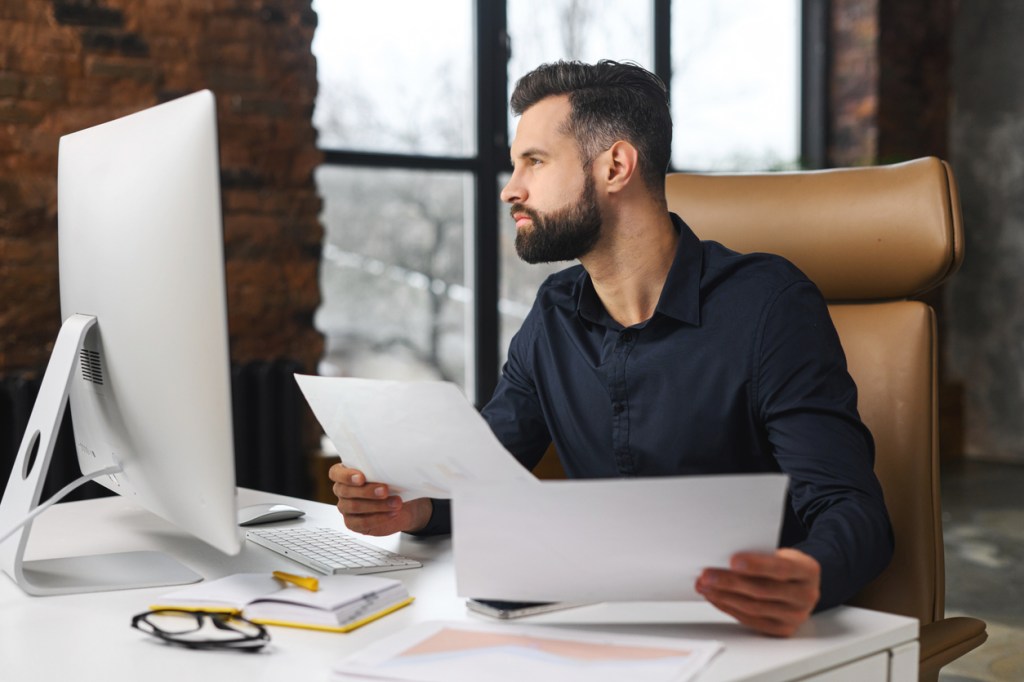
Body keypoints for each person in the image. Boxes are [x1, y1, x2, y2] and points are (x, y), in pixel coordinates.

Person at [328, 59, 893, 637]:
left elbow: (854, 511)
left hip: (746, 633)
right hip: (602, 627)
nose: (510, 189)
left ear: (616, 167)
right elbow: (484, 467)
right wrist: (413, 506)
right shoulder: (554, 313)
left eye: (535, 162)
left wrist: (808, 572)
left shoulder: (768, 305)